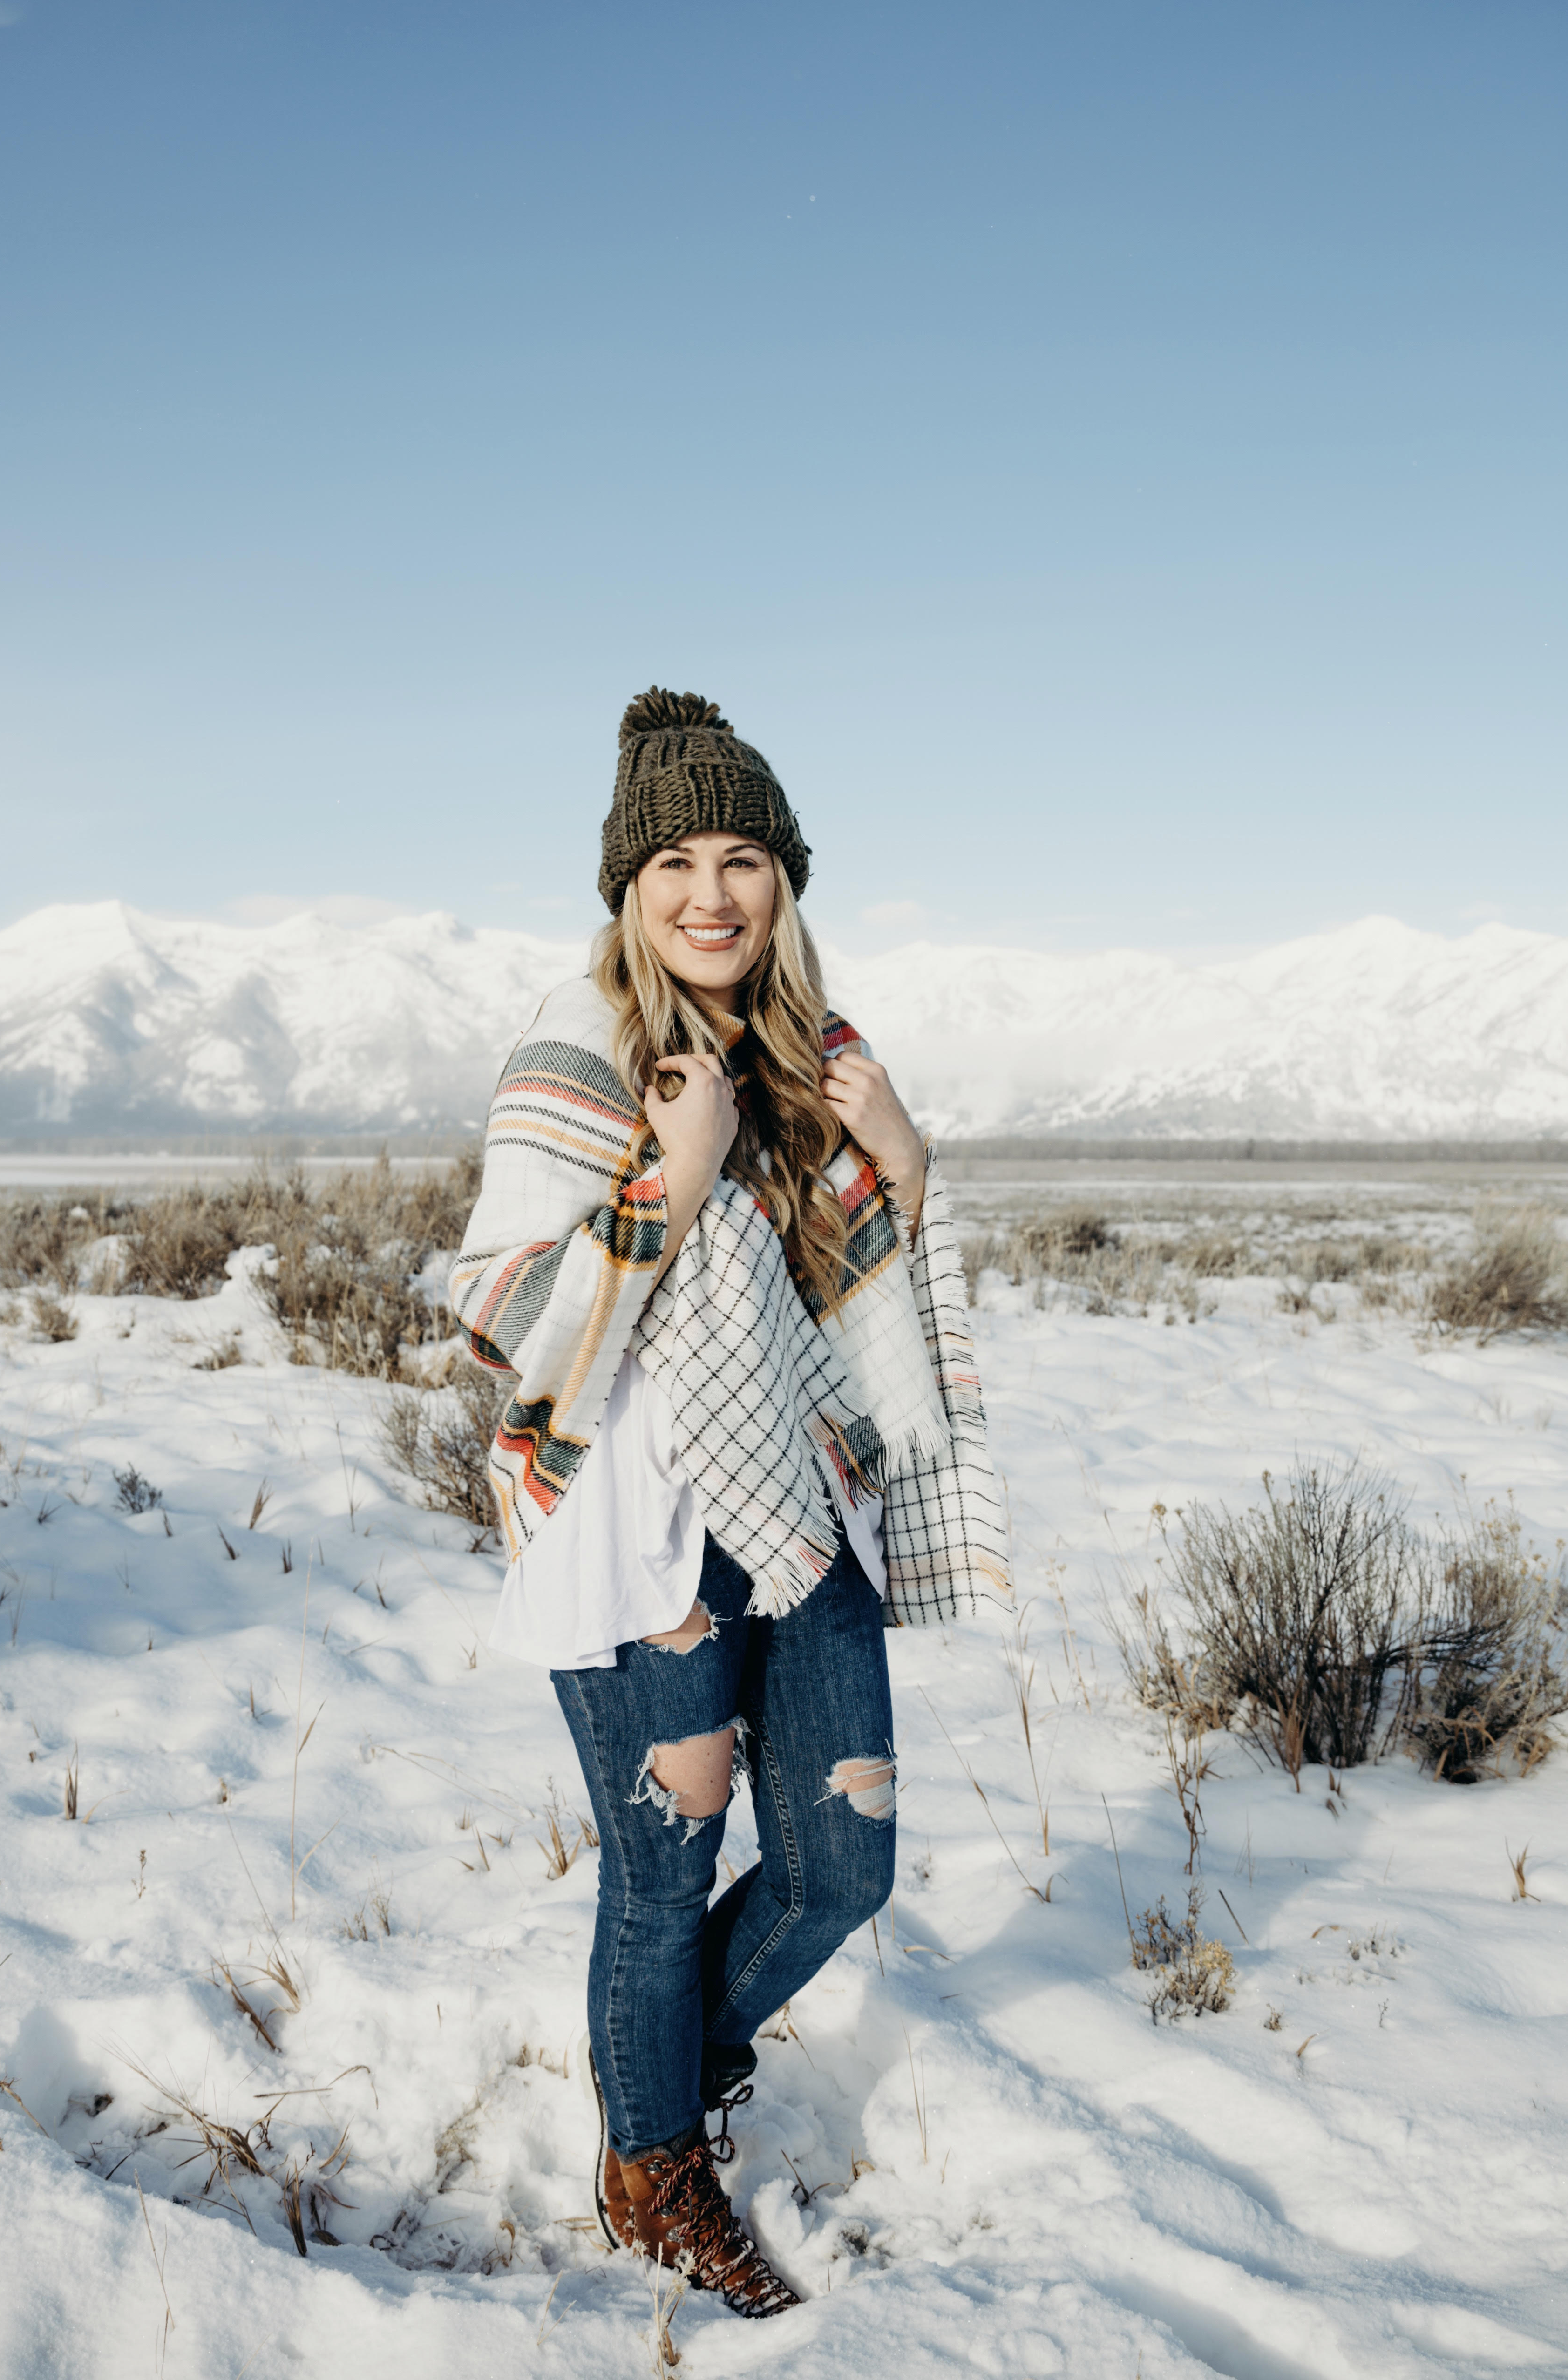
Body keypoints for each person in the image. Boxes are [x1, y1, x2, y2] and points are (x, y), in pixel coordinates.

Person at [451, 689, 1011, 2317]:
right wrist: (670, 1183)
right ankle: (653, 2164)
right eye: (677, 861)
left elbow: (860, 1330)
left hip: (802, 1508)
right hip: (644, 1534)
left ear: (786, 883)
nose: (712, 892)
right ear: (627, 889)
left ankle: (657, 2076)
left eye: (745, 857)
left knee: (844, 1868)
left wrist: (898, 1166)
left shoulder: (819, 1058)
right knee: (662, 1877)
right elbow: (511, 1310)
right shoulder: (584, 1047)